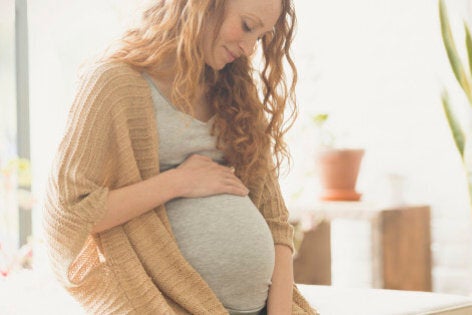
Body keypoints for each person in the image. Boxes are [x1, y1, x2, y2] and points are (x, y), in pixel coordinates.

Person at [42, 0, 317, 314]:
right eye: (246, 26)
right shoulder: (114, 83)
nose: (249, 48)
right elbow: (69, 214)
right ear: (204, 6)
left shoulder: (236, 90)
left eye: (260, 37)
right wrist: (178, 182)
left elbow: (276, 221)